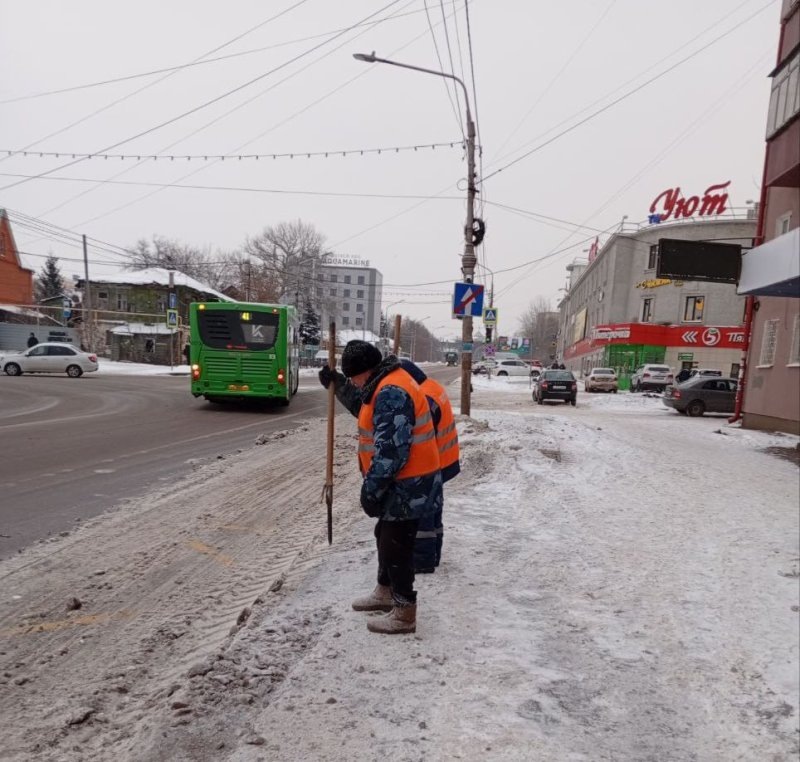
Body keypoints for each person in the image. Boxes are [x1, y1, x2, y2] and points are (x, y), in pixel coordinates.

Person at [320, 340, 442, 635]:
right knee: (384, 534)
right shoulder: (384, 382)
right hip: (407, 479)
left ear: (365, 371)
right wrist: (337, 384)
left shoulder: (391, 392)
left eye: (352, 377)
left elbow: (392, 452)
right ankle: (385, 592)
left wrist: (372, 489)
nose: (352, 383)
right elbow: (365, 408)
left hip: (409, 482)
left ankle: (404, 613)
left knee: (395, 543)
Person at [322, 356, 460, 574]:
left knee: (420, 517)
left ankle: (422, 561)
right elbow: (367, 407)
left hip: (425, 466)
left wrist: (376, 485)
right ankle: (430, 555)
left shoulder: (410, 394)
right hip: (437, 462)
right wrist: (340, 385)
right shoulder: (422, 387)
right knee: (430, 513)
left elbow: (396, 444)